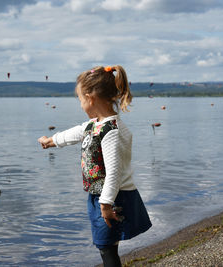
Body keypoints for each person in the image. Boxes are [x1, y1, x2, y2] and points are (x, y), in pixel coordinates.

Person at [38, 65, 152, 267]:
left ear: (90, 98)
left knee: (106, 247)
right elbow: (73, 133)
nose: (81, 104)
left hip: (113, 197)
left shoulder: (111, 131)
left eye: (80, 99)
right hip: (101, 195)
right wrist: (51, 141)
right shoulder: (95, 124)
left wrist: (106, 205)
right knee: (107, 245)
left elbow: (114, 174)